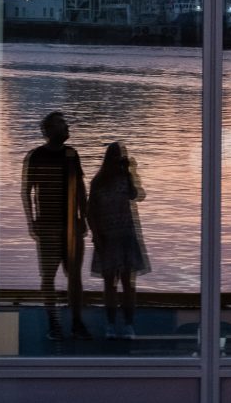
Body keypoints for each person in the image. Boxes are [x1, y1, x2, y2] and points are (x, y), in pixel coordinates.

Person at [21, 111, 92, 341]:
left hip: (71, 225)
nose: (68, 127)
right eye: (63, 125)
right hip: (48, 226)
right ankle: (54, 323)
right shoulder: (36, 156)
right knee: (49, 276)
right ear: (50, 131)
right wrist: (32, 222)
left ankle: (76, 323)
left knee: (74, 276)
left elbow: (80, 188)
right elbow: (26, 191)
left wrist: (84, 218)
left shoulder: (72, 155)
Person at [88, 141, 150, 339]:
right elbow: (91, 212)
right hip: (107, 236)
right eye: (116, 155)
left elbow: (136, 195)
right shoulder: (97, 182)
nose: (118, 159)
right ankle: (111, 324)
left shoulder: (125, 178)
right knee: (110, 283)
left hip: (125, 235)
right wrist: (96, 235)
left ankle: (128, 324)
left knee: (127, 282)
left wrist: (130, 172)